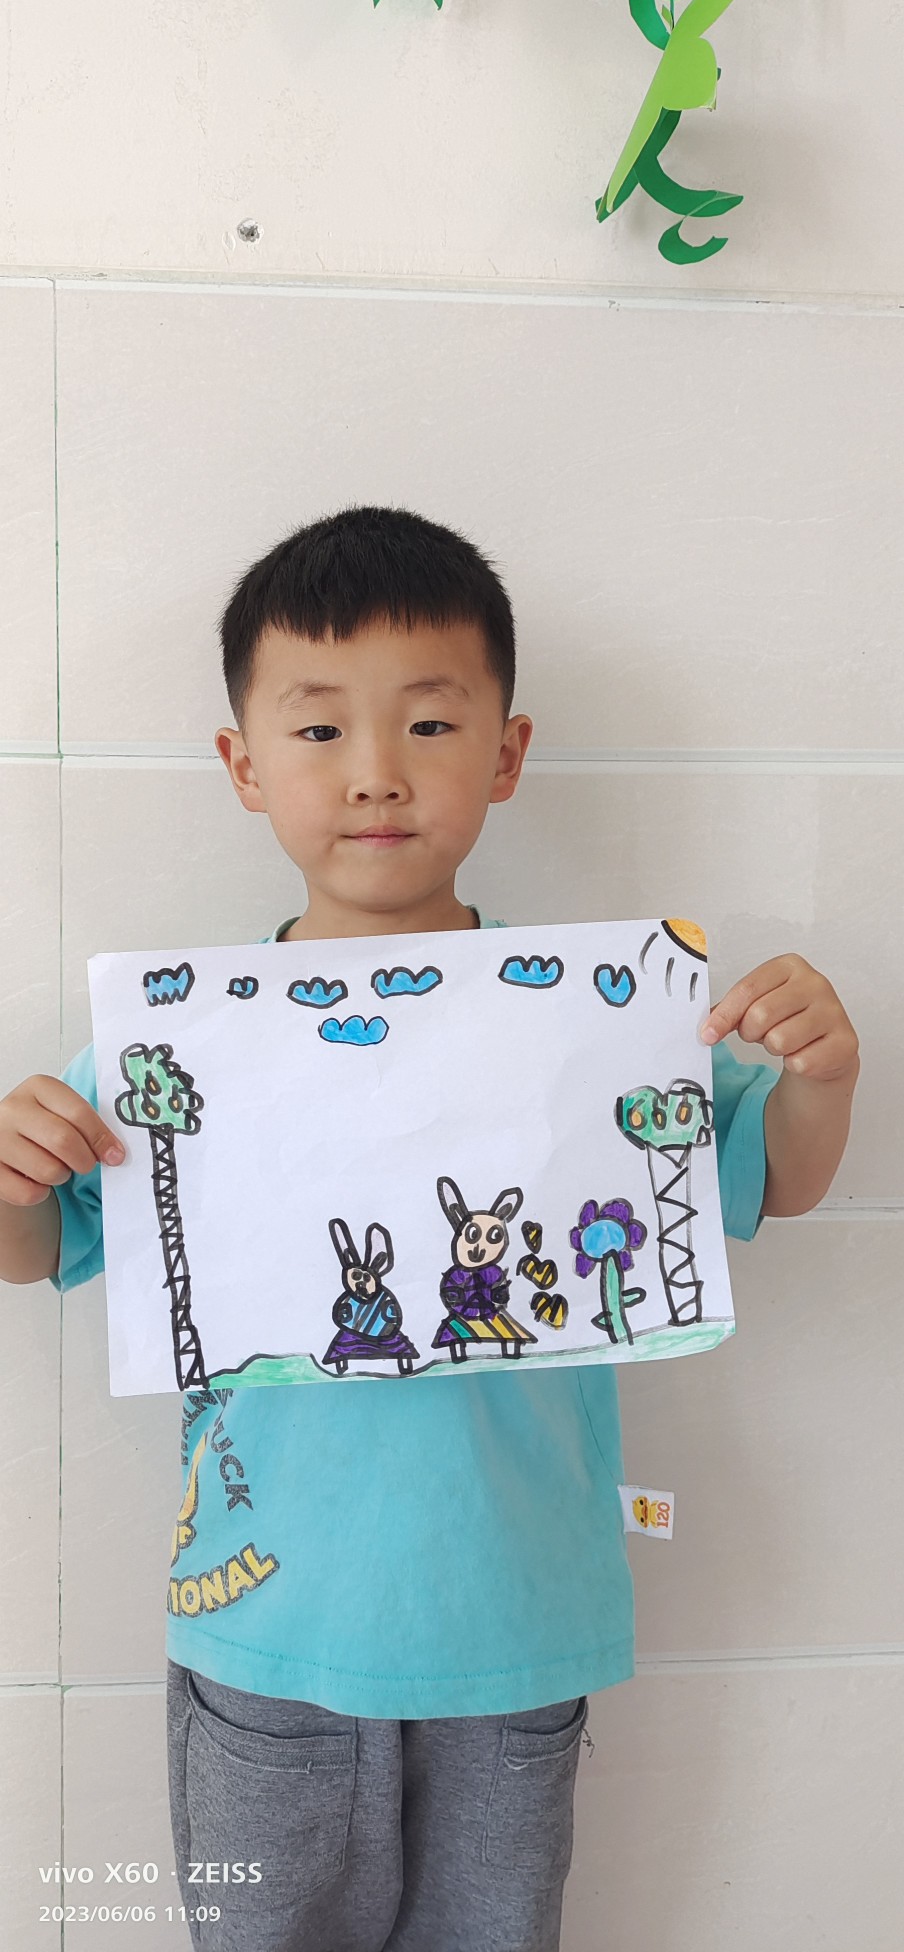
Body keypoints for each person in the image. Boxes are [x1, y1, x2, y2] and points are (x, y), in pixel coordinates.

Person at [0, 505, 860, 1952]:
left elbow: (768, 1180)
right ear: (244, 765)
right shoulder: (177, 1047)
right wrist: (12, 1181)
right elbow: (47, 1250)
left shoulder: (599, 1023)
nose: (377, 772)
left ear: (507, 754)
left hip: (515, 1629)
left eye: (432, 723)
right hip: (267, 1636)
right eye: (318, 729)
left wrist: (821, 1077)